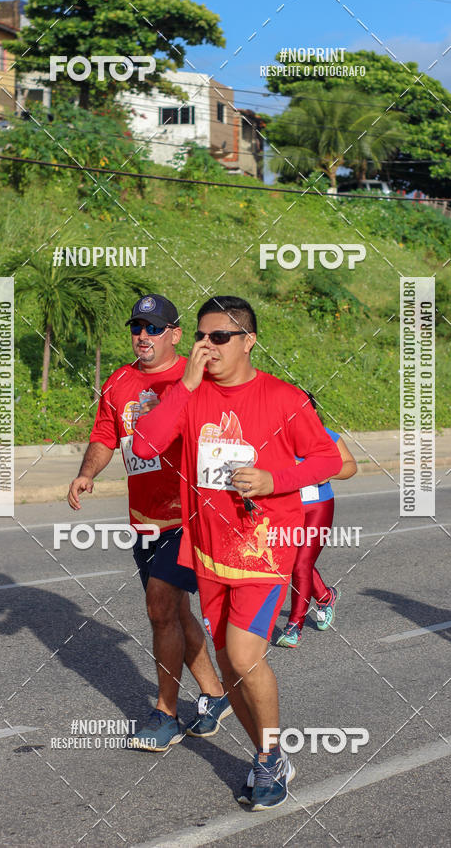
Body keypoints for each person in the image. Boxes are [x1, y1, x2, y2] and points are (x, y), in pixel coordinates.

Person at [133, 296, 342, 810]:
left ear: (248, 340)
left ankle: (272, 755)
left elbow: (329, 458)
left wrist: (276, 479)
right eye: (201, 337)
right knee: (229, 669)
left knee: (246, 656)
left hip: (265, 550)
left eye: (219, 337)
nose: (207, 347)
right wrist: (182, 388)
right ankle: (267, 754)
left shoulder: (283, 397)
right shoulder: (189, 394)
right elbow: (143, 446)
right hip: (208, 554)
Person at [67, 294, 230, 751]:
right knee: (174, 612)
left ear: (176, 334)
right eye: (137, 327)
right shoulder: (119, 381)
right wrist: (86, 473)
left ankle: (166, 714)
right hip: (145, 520)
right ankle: (216, 696)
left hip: (190, 516)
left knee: (159, 607)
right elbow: (105, 433)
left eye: (154, 328)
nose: (143, 336)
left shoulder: (196, 379)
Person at [277, 394, 357, 648]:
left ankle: (294, 626)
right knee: (292, 561)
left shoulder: (327, 436)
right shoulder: (278, 437)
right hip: (286, 509)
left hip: (318, 507)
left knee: (301, 564)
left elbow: (350, 466)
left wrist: (328, 471)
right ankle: (325, 596)